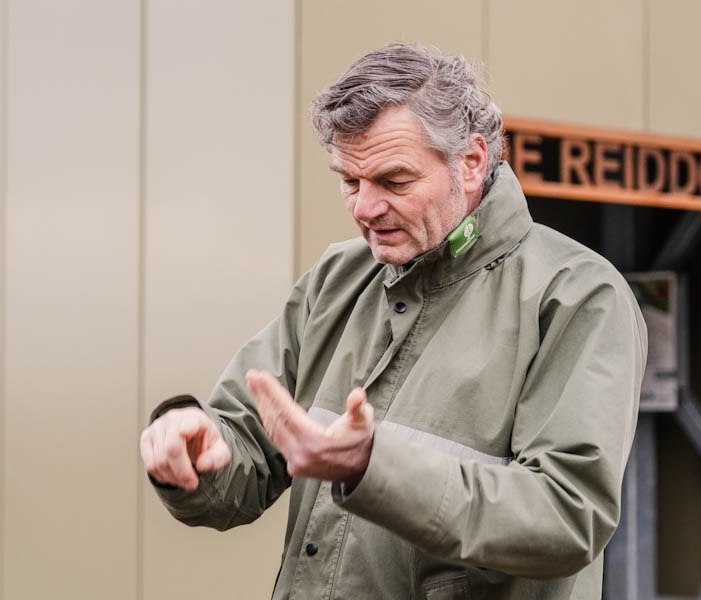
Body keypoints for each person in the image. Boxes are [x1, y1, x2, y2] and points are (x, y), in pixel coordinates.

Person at [140, 42, 647, 599]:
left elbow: (565, 517)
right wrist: (194, 448)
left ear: (472, 162)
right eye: (350, 181)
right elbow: (243, 448)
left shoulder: (578, 296)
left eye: (393, 181)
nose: (364, 208)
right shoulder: (338, 277)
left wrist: (372, 466)